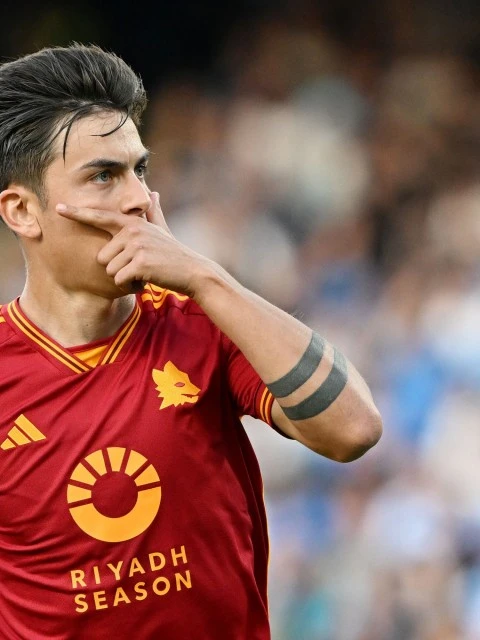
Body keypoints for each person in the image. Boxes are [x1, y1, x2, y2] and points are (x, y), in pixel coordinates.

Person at [0, 44, 382, 639]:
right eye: (103, 176)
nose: (136, 198)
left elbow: (353, 429)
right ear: (23, 211)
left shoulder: (203, 318)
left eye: (139, 170)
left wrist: (206, 277)